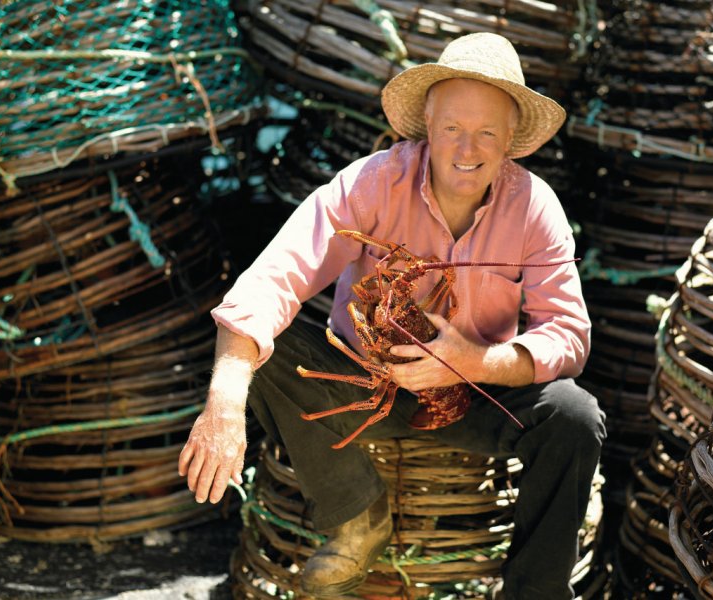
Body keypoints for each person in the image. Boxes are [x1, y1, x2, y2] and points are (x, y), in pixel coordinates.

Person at [178, 32, 605, 599]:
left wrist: (473, 361)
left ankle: (536, 592)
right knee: (264, 355)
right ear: (428, 125)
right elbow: (271, 280)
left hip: (474, 394)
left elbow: (570, 335)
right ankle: (357, 513)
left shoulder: (534, 207)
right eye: (453, 128)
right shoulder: (374, 183)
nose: (466, 149)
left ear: (510, 144)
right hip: (363, 384)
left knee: (574, 415)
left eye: (486, 133)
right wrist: (223, 405)